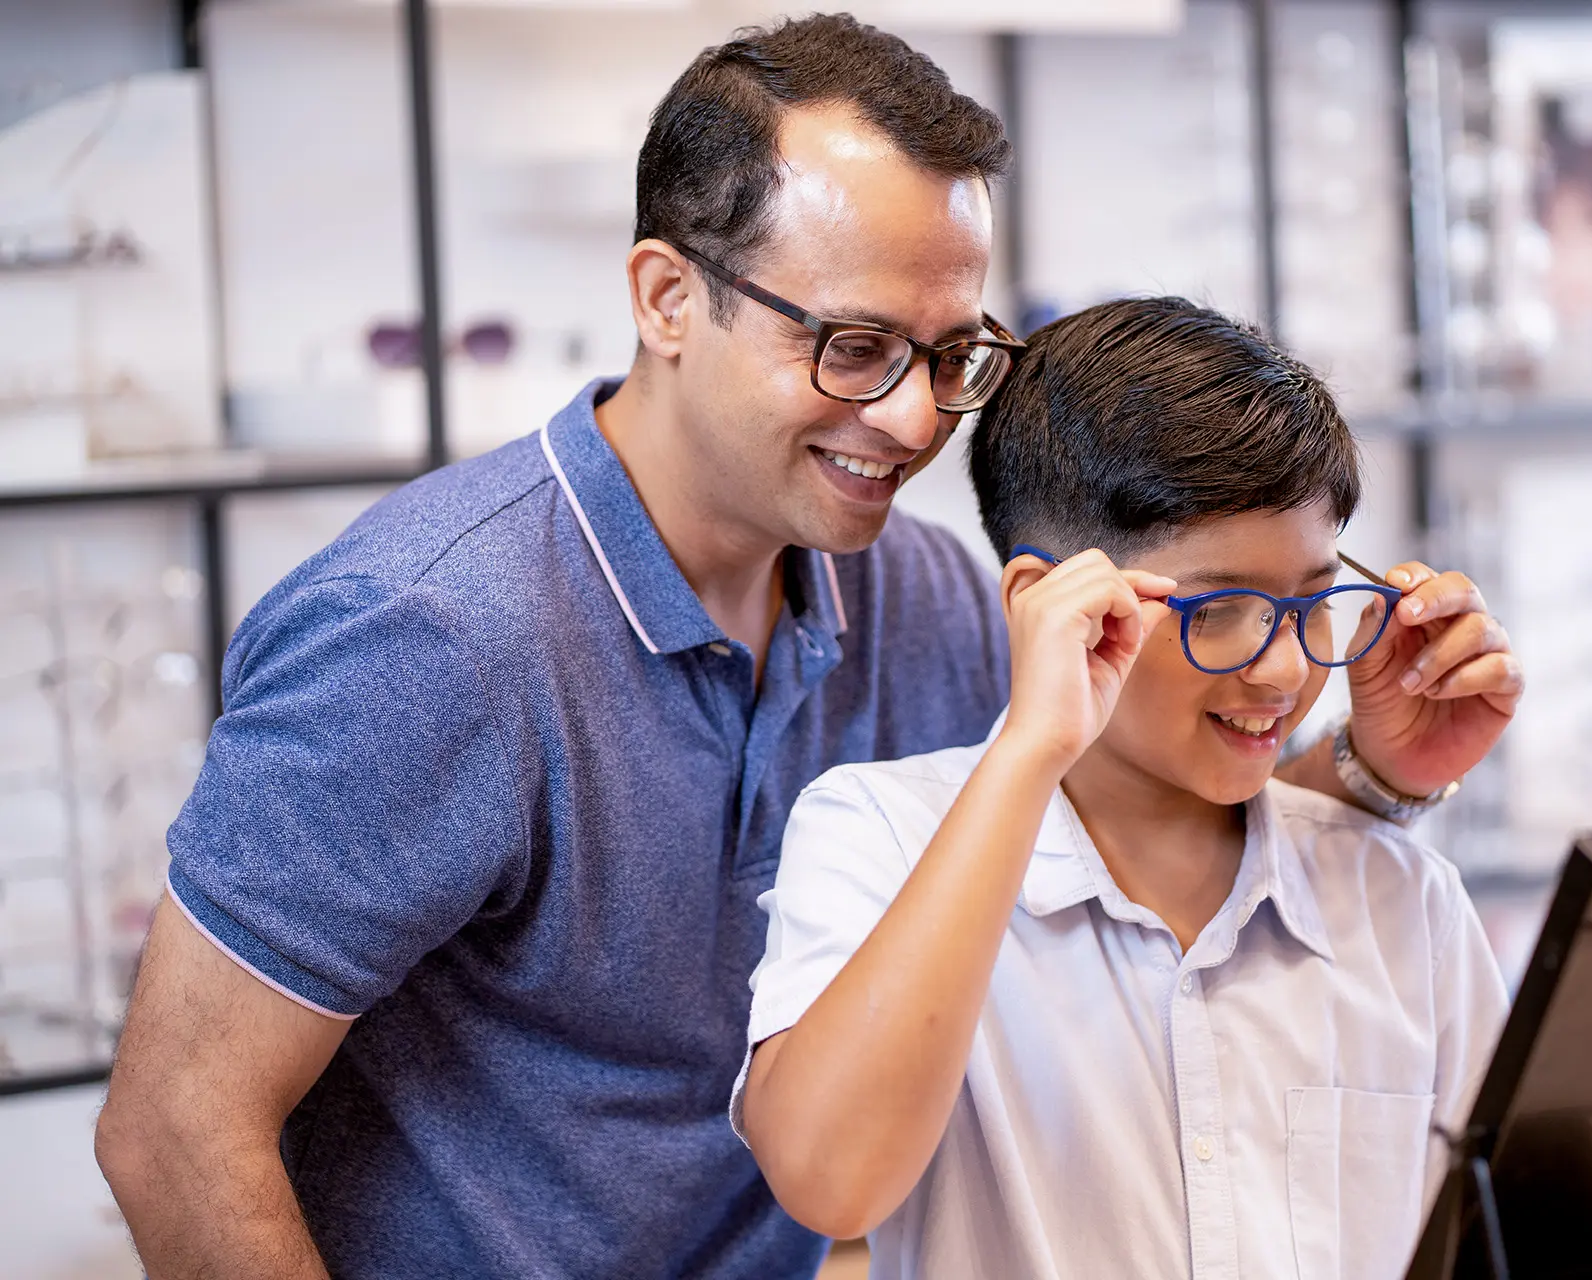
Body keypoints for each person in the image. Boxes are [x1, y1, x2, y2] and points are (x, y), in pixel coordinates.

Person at [94, 16, 1518, 1280]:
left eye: (953, 353)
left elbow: (1115, 824)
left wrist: (1373, 777)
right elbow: (174, 1132)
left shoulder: (924, 599)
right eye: (851, 346)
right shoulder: (428, 635)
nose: (910, 420)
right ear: (665, 297)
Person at [735, 298, 1518, 1279]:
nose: (1281, 670)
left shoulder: (1402, 895)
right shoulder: (878, 835)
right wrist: (1032, 741)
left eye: (1313, 601)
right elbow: (829, 1180)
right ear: (1045, 601)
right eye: (1223, 608)